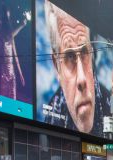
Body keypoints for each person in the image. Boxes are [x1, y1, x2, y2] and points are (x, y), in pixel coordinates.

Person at [44, 1, 106, 136]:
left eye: (84, 52)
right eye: (70, 57)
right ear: (57, 66)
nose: (82, 79)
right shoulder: (51, 120)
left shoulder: (112, 105)